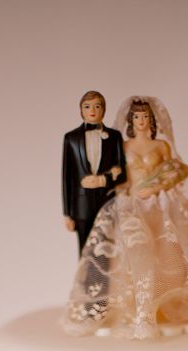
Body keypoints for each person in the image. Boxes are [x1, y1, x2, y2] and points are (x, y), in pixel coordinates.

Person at [63, 96, 188, 339]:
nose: (141, 121)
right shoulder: (123, 146)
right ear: (131, 121)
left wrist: (159, 185)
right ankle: (140, 313)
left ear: (152, 120)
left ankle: (159, 304)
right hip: (131, 206)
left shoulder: (161, 146)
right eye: (137, 117)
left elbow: (174, 169)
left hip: (160, 206)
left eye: (145, 117)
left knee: (170, 257)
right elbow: (118, 175)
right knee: (136, 252)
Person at [62, 90, 126, 254]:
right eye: (87, 106)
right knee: (85, 252)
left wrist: (104, 180)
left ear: (103, 110)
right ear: (81, 110)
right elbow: (67, 178)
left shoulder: (114, 137)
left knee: (107, 251)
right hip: (81, 207)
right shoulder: (71, 138)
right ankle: (85, 281)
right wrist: (67, 214)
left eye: (97, 106)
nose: (92, 110)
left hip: (108, 204)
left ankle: (106, 281)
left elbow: (123, 173)